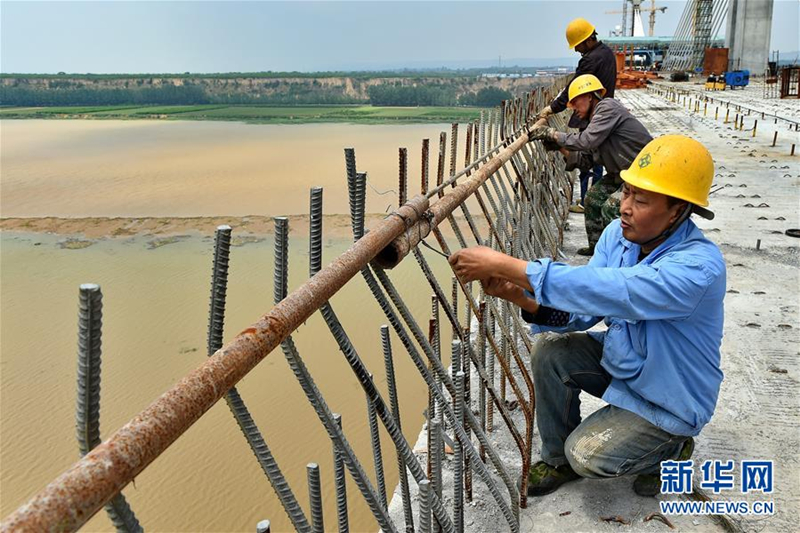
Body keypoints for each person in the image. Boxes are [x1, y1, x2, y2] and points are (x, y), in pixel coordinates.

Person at [448, 135, 726, 498]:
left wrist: (507, 264)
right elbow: (584, 309)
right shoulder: (619, 236)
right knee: (551, 349)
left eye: (640, 200)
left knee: (587, 455)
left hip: (669, 398)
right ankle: (556, 459)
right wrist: (518, 295)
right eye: (626, 193)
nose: (625, 207)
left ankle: (671, 446)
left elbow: (614, 289)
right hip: (628, 365)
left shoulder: (698, 269)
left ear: (678, 211)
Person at [528, 74, 653, 256]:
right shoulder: (593, 122)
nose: (574, 109)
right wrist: (560, 148)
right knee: (592, 199)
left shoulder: (607, 108)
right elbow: (585, 160)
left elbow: (585, 141)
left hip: (641, 173)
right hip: (622, 174)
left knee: (612, 207)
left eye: (575, 102)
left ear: (589, 96)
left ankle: (626, 256)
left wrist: (553, 134)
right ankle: (599, 249)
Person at [537, 18, 617, 214]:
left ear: (588, 40)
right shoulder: (606, 53)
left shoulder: (590, 59)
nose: (576, 50)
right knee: (595, 155)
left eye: (578, 45)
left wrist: (553, 108)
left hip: (592, 112)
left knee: (589, 158)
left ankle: (587, 202)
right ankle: (589, 198)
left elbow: (574, 88)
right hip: (603, 108)